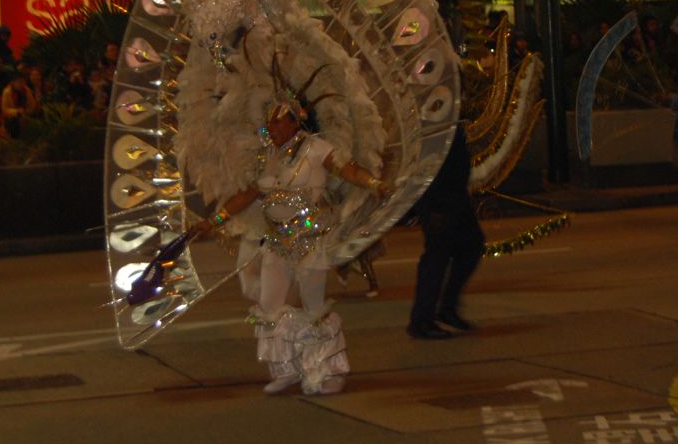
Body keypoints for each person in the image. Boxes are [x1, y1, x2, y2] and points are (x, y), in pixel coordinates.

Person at [186, 94, 388, 396]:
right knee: (270, 307)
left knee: (314, 309)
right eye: (270, 123)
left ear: (295, 122)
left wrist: (374, 184)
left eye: (279, 122)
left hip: (312, 241)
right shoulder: (266, 156)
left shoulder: (317, 149)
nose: (273, 128)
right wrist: (212, 222)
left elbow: (349, 170)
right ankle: (286, 370)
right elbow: (246, 196)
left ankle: (328, 372)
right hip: (277, 242)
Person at [407, 124, 482, 340]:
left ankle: (447, 308)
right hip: (439, 198)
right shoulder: (434, 120)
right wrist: (434, 206)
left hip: (455, 195)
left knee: (472, 245)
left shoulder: (450, 118)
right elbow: (429, 162)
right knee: (437, 255)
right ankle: (422, 320)